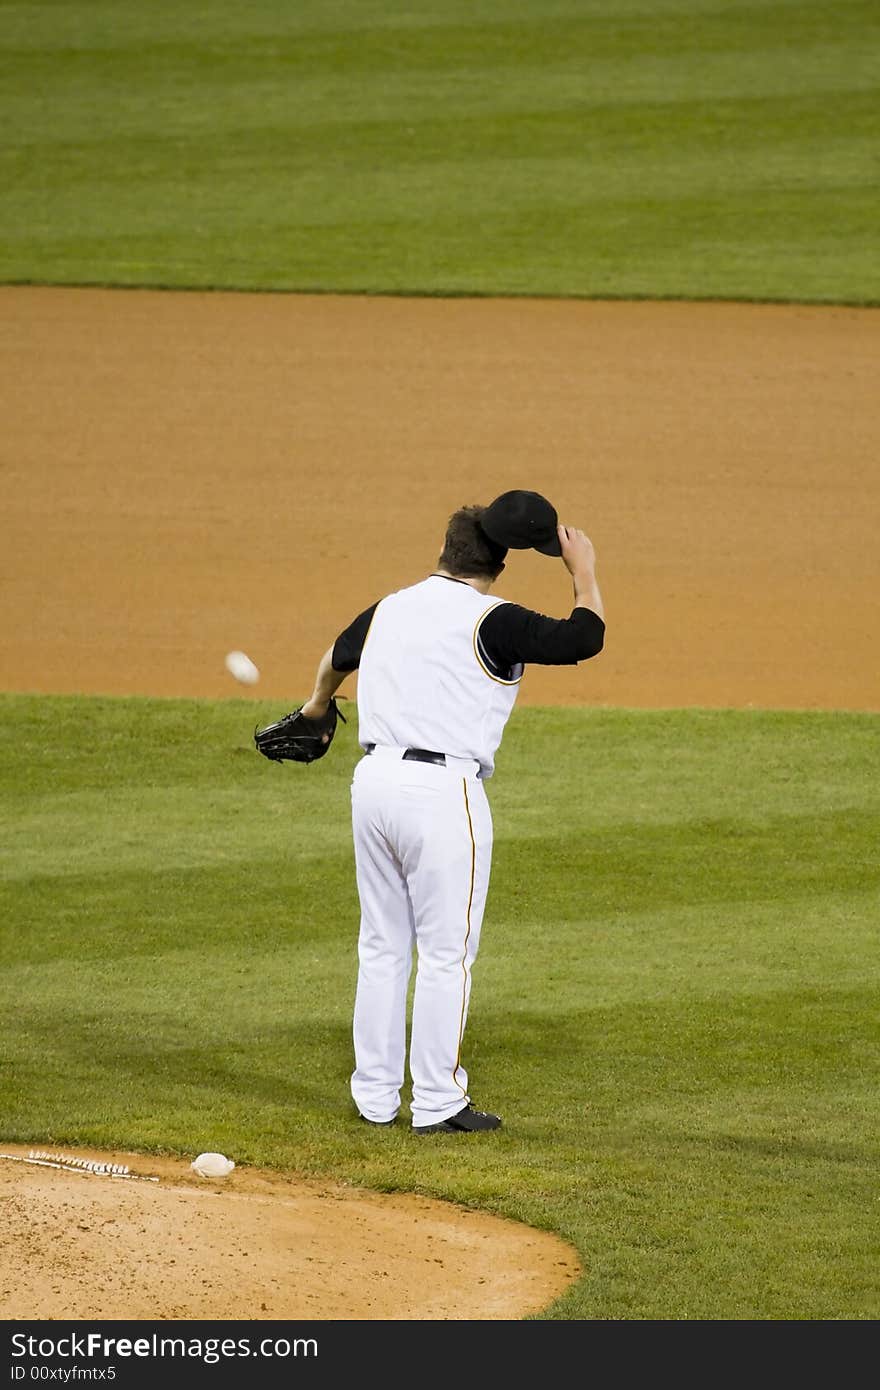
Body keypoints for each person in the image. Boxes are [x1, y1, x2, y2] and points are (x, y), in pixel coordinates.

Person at [299, 490, 605, 1134]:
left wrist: (317, 707)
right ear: (504, 560)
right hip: (442, 795)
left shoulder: (389, 608)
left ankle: (375, 1097)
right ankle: (437, 1101)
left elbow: (336, 655)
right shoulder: (495, 619)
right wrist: (584, 574)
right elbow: (585, 639)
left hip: (373, 782)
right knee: (446, 953)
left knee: (382, 946)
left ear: (447, 548)